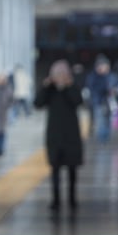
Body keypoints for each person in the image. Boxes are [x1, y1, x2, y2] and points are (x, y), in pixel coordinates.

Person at [34, 60, 84, 213]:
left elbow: (78, 101)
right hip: (55, 136)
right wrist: (45, 86)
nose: (60, 77)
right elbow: (37, 103)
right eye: (57, 74)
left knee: (72, 169)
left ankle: (72, 199)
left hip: (71, 136)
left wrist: (69, 86)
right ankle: (55, 199)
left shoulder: (73, 88)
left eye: (63, 74)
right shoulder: (50, 90)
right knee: (55, 169)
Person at [84, 57, 118, 143]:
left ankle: (106, 137)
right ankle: (102, 139)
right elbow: (91, 88)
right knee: (100, 120)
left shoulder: (112, 76)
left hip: (109, 102)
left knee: (108, 120)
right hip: (98, 102)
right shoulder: (93, 77)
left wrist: (116, 90)